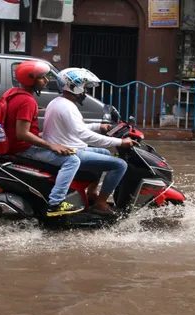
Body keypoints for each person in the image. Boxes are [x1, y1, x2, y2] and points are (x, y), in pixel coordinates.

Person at [42, 67, 137, 215]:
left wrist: (99, 126)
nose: (85, 91)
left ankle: (91, 193)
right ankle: (100, 203)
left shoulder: (59, 102)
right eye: (84, 87)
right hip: (69, 151)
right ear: (75, 86)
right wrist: (119, 142)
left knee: (104, 152)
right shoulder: (67, 106)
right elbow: (84, 134)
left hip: (68, 145)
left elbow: (76, 127)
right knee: (120, 165)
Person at [6, 60, 84, 217]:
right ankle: (55, 203)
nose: (46, 80)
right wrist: (51, 145)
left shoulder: (14, 93)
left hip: (17, 144)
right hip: (23, 148)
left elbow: (21, 130)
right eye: (42, 77)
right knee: (72, 160)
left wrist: (49, 138)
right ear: (30, 80)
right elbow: (22, 134)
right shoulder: (27, 101)